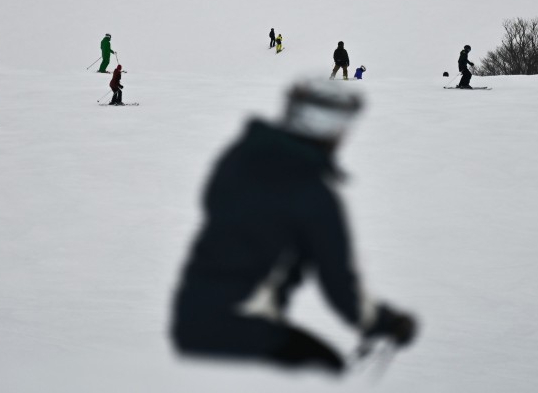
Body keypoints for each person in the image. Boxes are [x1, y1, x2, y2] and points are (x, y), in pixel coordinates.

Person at [171, 79, 417, 373]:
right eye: (341, 125)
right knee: (328, 370)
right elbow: (339, 286)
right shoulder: (313, 196)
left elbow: (212, 200)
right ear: (327, 128)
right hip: (241, 327)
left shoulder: (239, 155)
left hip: (189, 316)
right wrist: (385, 323)